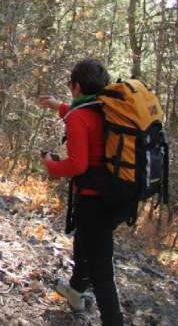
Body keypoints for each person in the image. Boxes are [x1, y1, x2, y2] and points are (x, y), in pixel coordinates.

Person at [37, 59, 124, 325]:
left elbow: (77, 164)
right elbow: (86, 121)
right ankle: (75, 292)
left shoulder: (78, 117)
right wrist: (58, 107)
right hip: (112, 194)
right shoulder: (106, 108)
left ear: (76, 87)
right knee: (83, 244)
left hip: (92, 200)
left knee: (101, 270)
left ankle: (113, 320)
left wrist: (51, 165)